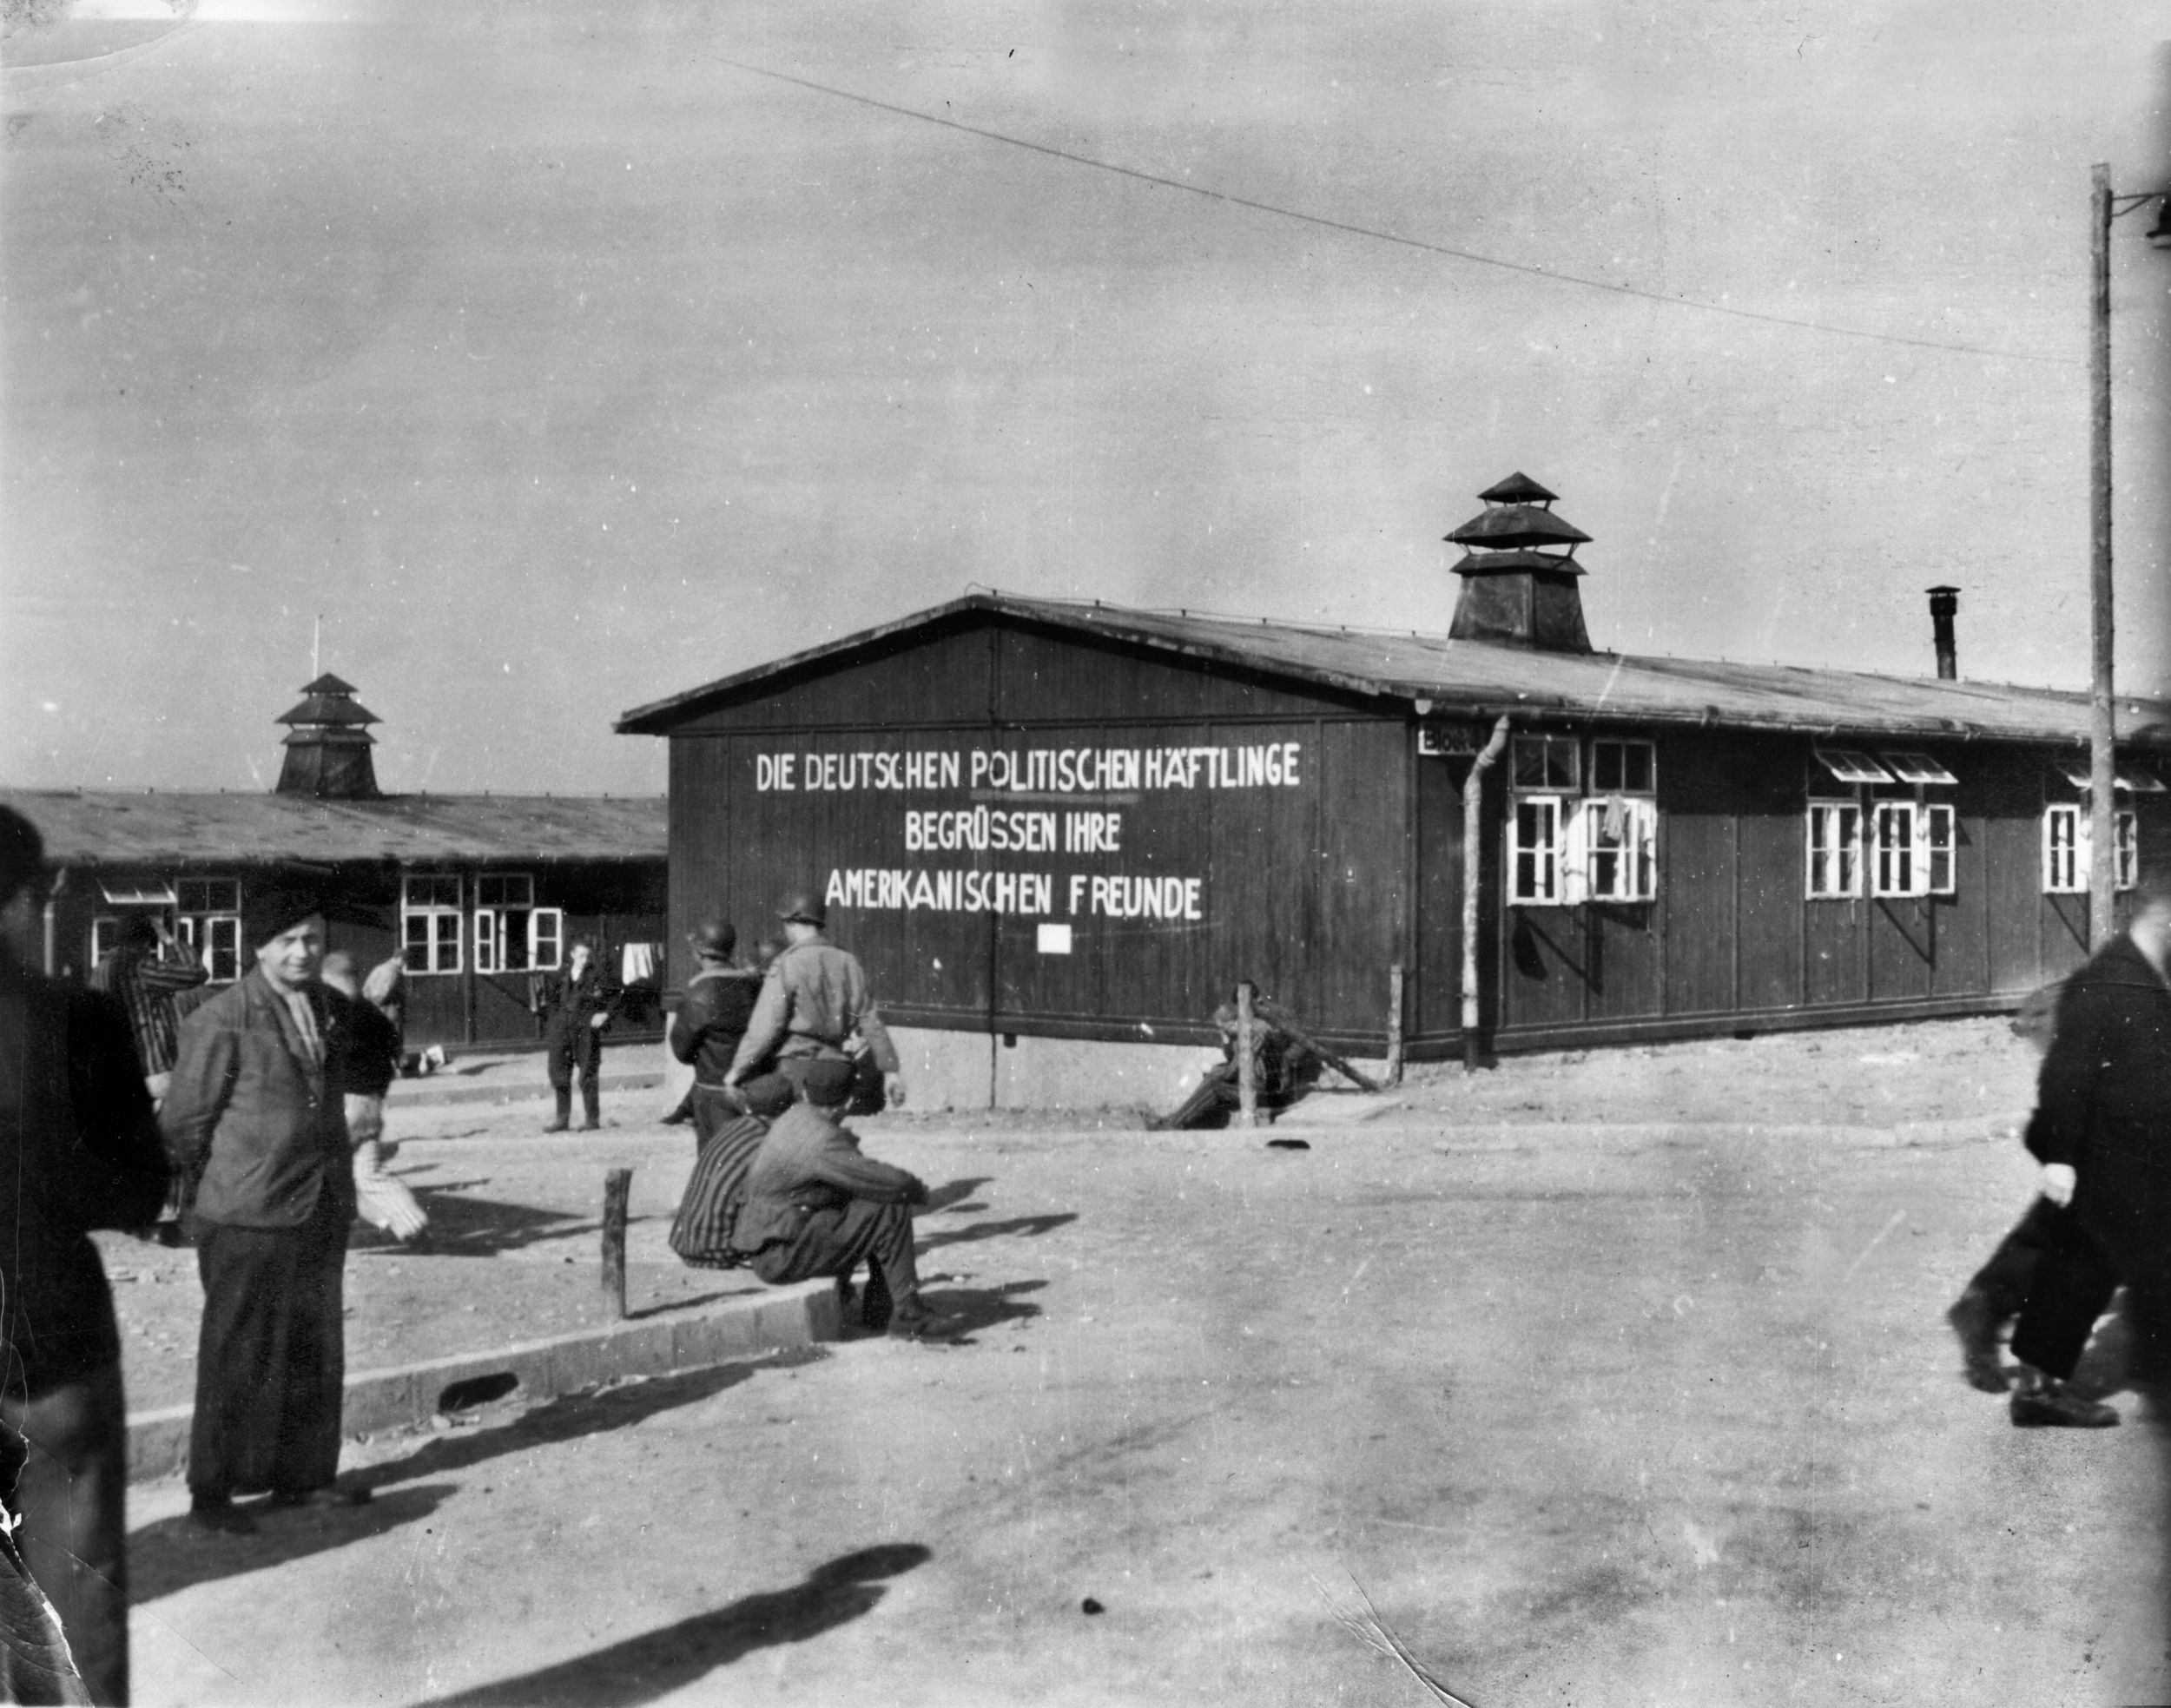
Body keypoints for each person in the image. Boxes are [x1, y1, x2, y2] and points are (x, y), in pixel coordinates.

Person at [0, 805, 171, 1703]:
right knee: (75, 1599)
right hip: (49, 1342)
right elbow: (136, 1189)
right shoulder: (75, 1017)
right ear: (30, 899)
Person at [161, 886, 374, 1532]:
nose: (302, 950)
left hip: (318, 1208)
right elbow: (181, 1124)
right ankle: (213, 1495)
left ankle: (302, 1480)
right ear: (258, 946)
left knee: (314, 1349)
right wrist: (210, 1193)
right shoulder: (223, 1016)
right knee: (236, 1353)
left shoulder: (333, 1008)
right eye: (287, 940)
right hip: (245, 1214)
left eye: (312, 937)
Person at [2001, 859, 2171, 1428]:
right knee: (2080, 1267)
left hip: (2144, 1153)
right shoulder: (2106, 979)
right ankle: (2037, 1389)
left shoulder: (2148, 975)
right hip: (2107, 1157)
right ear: (2160, 915)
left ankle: (2149, 1377)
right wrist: (2060, 1157)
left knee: (2126, 1267)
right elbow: (2063, 1076)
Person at [729, 1058, 959, 1340]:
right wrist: (914, 1188)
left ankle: (883, 1310)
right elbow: (880, 1180)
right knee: (891, 1206)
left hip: (771, 1244)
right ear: (848, 1102)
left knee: (868, 1206)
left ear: (807, 1091)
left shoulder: (796, 1117)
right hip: (780, 1255)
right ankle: (907, 1314)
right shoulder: (822, 1139)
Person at [724, 893, 903, 1111]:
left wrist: (737, 1070)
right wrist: (891, 1072)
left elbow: (765, 1027)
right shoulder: (848, 962)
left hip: (798, 1071)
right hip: (839, 1072)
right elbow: (870, 1020)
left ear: (792, 922)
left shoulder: (788, 964)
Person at [320, 954, 426, 1245]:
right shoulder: (376, 1015)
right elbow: (394, 1059)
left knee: (314, 1168)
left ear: (328, 978)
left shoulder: (333, 1010)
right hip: (372, 1104)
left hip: (344, 1103)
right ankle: (411, 1223)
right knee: (369, 1174)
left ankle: (367, 1224)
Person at [1151, 991, 1321, 1131]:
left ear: (1233, 1023)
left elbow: (1233, 1070)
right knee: (1215, 1076)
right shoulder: (1243, 1034)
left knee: (1214, 1084)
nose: (1222, 1033)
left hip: (1269, 1092)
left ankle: (1175, 1123)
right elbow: (1234, 1061)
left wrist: (1216, 1073)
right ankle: (1178, 1118)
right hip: (1259, 1084)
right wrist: (1226, 1043)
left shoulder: (1252, 1036)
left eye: (1223, 1028)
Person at [89, 913, 208, 1106]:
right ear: (145, 942)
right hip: (154, 1069)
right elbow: (197, 971)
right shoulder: (140, 968)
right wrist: (169, 940)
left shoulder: (99, 970)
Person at [667, 919, 762, 1151]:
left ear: (700, 952)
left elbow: (682, 1051)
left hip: (712, 1092)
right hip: (751, 1088)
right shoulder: (752, 985)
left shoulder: (698, 992)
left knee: (714, 1164)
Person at [537, 937, 617, 1133]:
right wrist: (554, 1022)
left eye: (587, 955)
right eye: (581, 955)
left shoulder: (597, 976)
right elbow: (551, 1000)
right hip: (562, 1029)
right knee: (559, 1072)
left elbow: (616, 996)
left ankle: (592, 1119)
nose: (585, 959)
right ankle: (562, 1119)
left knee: (588, 1072)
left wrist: (605, 1014)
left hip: (585, 1029)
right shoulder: (561, 975)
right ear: (572, 955)